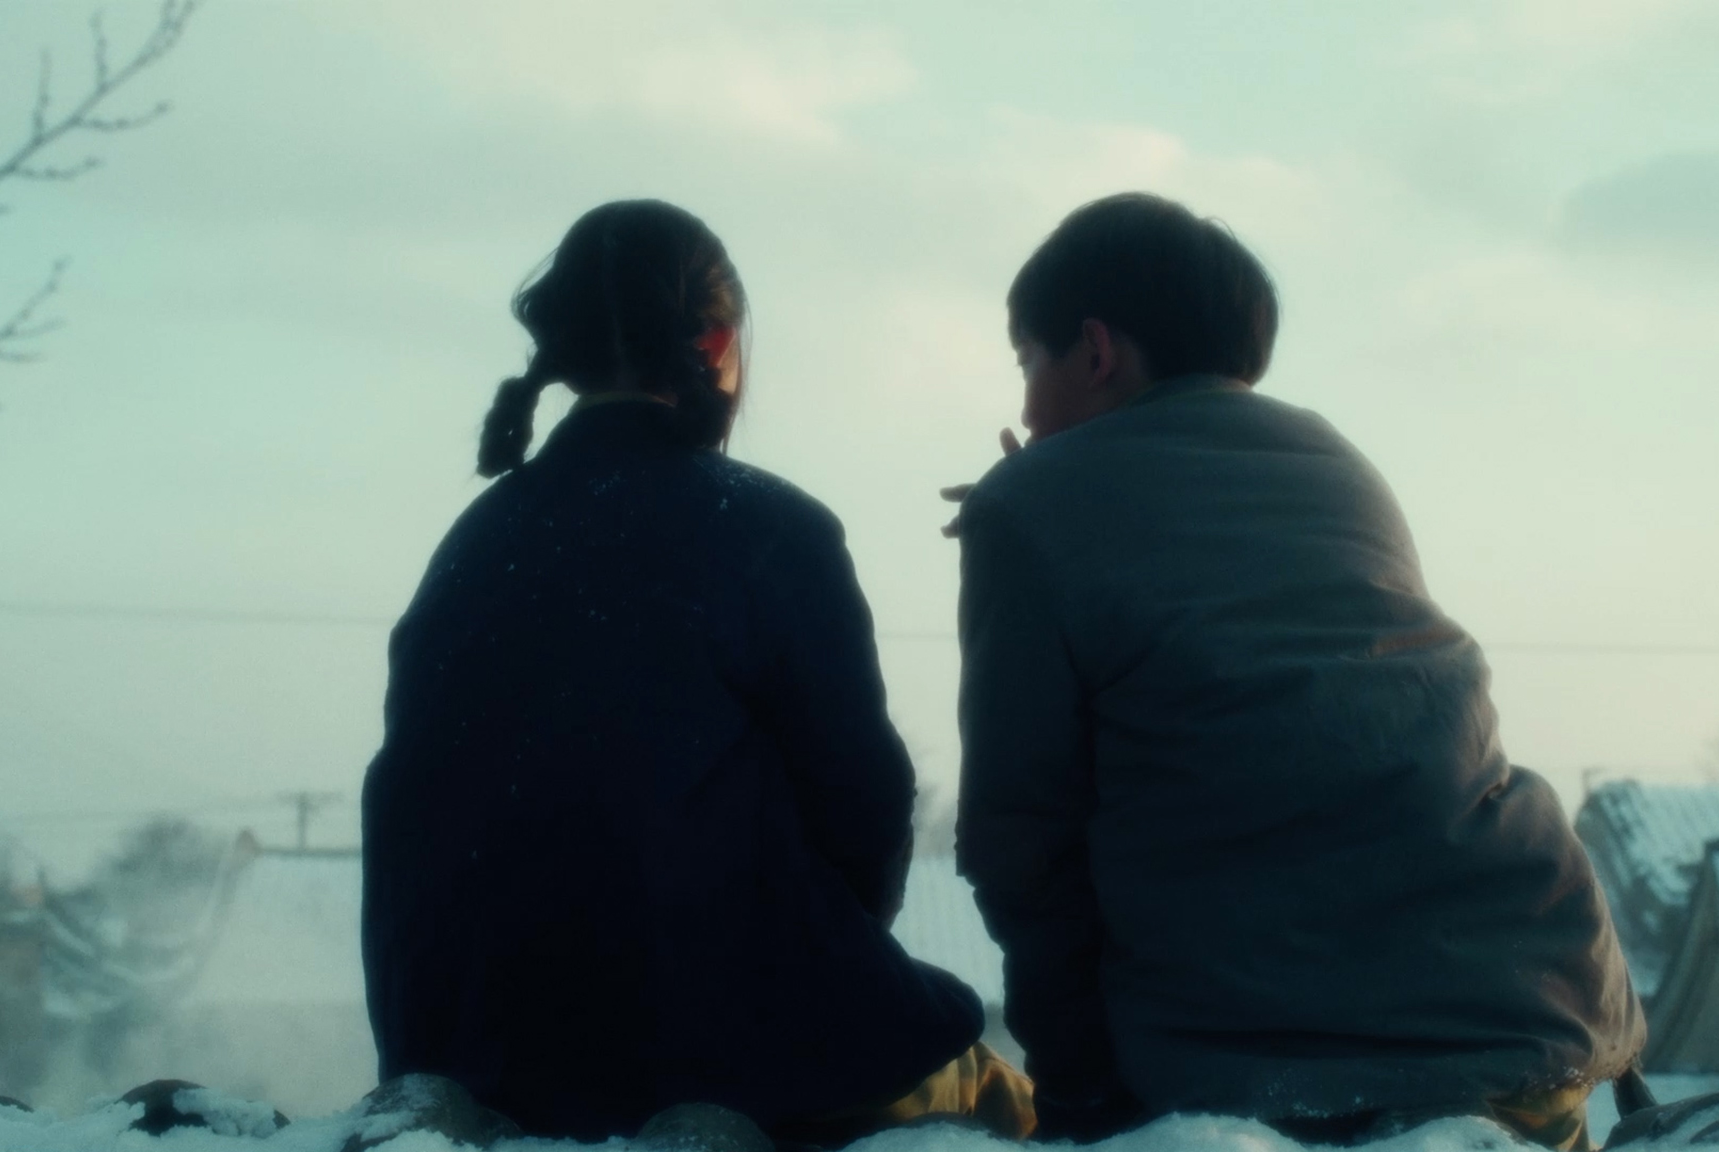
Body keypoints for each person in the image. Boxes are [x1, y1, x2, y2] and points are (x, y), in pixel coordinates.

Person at [947, 193, 1645, 1149]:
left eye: (1029, 364)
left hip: (1267, 1076)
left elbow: (1020, 844)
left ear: (1096, 351)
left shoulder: (1025, 504)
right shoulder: (1337, 460)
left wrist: (1076, 1103)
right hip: (1537, 1021)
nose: (1026, 408)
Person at [361, 200, 1032, 1144]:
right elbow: (865, 803)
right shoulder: (769, 527)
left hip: (465, 1043)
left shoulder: (475, 540)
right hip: (699, 1038)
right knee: (1000, 1097)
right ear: (716, 343)